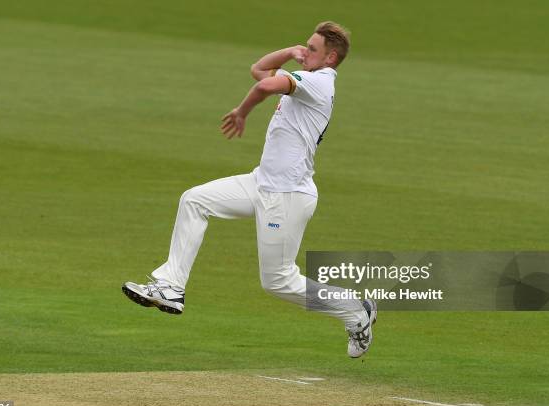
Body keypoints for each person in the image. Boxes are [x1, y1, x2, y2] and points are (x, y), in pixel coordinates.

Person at [122, 22, 377, 358]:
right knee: (195, 200)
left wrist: (242, 112)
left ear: (330, 58)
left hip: (287, 196)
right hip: (261, 182)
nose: (304, 53)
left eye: (311, 50)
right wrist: (290, 51)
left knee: (277, 282)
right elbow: (258, 69)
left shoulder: (318, 83)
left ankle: (355, 310)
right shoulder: (304, 78)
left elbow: (266, 84)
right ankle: (171, 286)